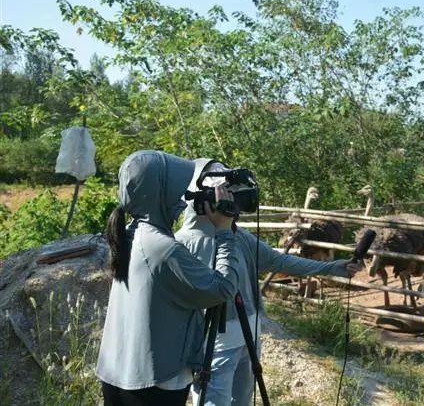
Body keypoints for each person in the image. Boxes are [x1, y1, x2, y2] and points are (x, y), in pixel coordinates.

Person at [175, 158, 364, 406]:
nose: (230, 201)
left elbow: (280, 262)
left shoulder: (238, 237)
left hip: (248, 337)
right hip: (214, 346)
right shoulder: (182, 244)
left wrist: (332, 268)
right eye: (222, 194)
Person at [97, 150, 241, 406]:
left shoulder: (130, 232)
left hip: (121, 371)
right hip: (156, 383)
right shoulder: (163, 248)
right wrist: (224, 231)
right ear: (159, 192)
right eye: (178, 190)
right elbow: (224, 287)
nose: (184, 197)